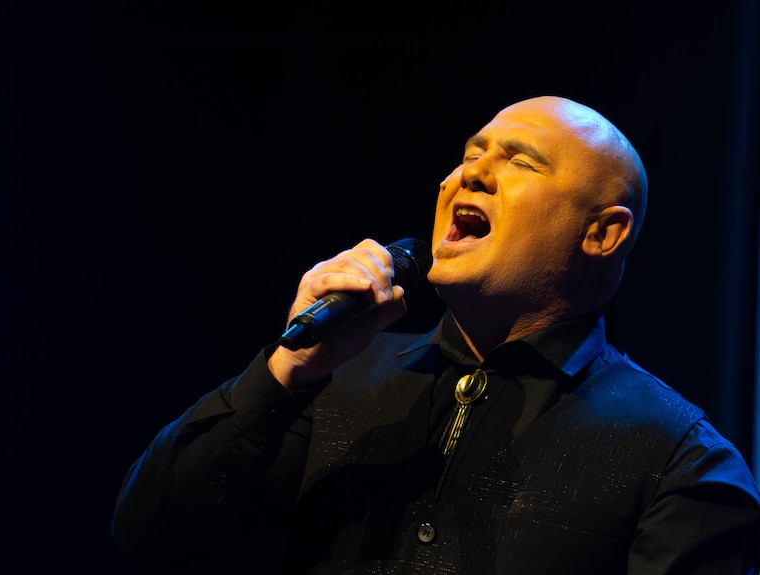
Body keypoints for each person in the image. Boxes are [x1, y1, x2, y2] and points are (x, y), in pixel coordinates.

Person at [111, 95, 760, 574]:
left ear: (602, 233)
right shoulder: (332, 379)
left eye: (521, 162)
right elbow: (145, 537)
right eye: (469, 154)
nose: (468, 174)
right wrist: (286, 370)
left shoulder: (678, 456)